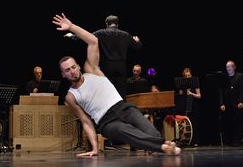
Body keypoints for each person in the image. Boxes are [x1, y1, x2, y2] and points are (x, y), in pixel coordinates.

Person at [53, 13, 180, 156]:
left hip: (122, 107)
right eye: (67, 70)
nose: (72, 71)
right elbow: (86, 121)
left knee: (151, 132)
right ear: (63, 74)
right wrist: (94, 149)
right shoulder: (71, 96)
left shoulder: (92, 70)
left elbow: (93, 41)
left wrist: (71, 27)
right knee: (123, 131)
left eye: (73, 67)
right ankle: (163, 146)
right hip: (107, 122)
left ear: (78, 66)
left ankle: (158, 145)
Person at [66, 15, 142, 99]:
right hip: (121, 67)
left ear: (106, 24)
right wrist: (138, 41)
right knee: (121, 93)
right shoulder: (126, 35)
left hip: (106, 66)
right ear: (117, 24)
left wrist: (72, 36)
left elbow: (86, 37)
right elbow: (138, 47)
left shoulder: (100, 33)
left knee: (106, 92)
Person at [218, 60, 243, 146]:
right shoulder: (224, 78)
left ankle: (236, 140)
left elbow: (242, 90)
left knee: (237, 122)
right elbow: (221, 91)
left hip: (237, 103)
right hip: (227, 104)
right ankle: (228, 140)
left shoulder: (239, 76)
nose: (228, 68)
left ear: (234, 67)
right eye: (227, 67)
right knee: (228, 122)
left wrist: (241, 101)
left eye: (230, 66)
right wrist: (221, 103)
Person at [180, 67, 201, 147]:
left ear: (191, 75)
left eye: (189, 76)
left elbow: (199, 96)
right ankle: (187, 141)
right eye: (186, 76)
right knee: (186, 123)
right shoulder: (182, 84)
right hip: (186, 105)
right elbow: (181, 95)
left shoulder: (195, 83)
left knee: (194, 123)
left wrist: (191, 94)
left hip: (194, 104)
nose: (188, 77)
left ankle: (195, 141)